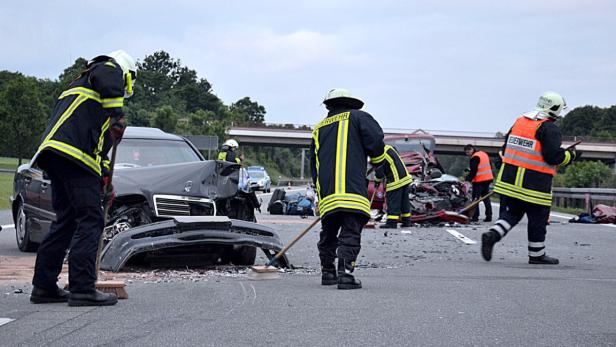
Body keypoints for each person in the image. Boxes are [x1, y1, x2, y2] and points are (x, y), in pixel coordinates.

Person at [30, 50, 137, 306]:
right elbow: (107, 71)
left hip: (59, 156)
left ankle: (43, 287)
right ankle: (82, 288)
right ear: (126, 74)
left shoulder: (90, 100)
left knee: (66, 221)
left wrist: (105, 182)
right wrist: (117, 114)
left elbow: (99, 152)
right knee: (90, 220)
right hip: (71, 156)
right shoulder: (104, 69)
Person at [481, 92, 577, 265]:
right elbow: (552, 156)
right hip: (534, 185)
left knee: (513, 214)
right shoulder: (549, 128)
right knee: (538, 220)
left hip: (509, 182)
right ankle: (536, 254)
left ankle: (493, 234)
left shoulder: (520, 122)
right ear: (554, 109)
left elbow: (506, 147)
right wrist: (570, 155)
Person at [310, 88, 386, 290]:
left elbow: (314, 165)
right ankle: (346, 274)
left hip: (328, 193)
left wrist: (320, 195)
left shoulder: (318, 129)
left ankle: (328, 273)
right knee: (350, 232)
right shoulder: (359, 117)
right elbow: (376, 142)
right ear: (350, 102)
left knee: (328, 232)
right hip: (352, 190)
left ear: (328, 105)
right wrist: (379, 165)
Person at [376, 145, 413, 229]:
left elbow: (379, 171)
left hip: (395, 180)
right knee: (404, 202)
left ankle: (392, 223)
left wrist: (376, 180)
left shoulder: (379, 153)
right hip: (405, 178)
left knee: (393, 202)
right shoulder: (389, 148)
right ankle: (406, 221)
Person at [464, 144, 494, 222]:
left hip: (479, 181)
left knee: (475, 199)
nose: (468, 154)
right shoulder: (483, 154)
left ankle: (475, 217)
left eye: (468, 152)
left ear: (472, 149)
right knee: (486, 198)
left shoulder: (474, 157)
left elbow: (474, 171)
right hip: (487, 179)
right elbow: (489, 166)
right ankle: (489, 216)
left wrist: (468, 180)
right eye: (466, 153)